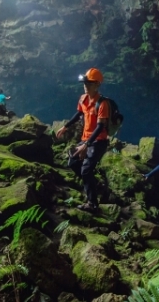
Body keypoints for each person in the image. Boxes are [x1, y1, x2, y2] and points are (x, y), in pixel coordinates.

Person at [55, 68, 110, 212]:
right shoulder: (83, 98)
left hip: (98, 141)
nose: (86, 86)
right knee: (73, 162)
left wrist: (86, 145)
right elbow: (79, 113)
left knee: (86, 170)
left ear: (97, 85)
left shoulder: (102, 104)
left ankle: (93, 204)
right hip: (86, 139)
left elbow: (100, 127)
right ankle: (94, 184)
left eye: (89, 83)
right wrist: (65, 127)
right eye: (85, 83)